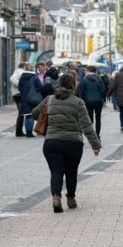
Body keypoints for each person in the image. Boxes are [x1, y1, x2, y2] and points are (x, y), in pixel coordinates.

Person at [30, 72, 101, 213]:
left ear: (59, 84)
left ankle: (56, 197)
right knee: (71, 172)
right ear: (74, 85)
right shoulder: (78, 102)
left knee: (56, 171)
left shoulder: (49, 99)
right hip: (73, 143)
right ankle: (71, 198)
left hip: (52, 142)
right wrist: (95, 145)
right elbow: (86, 125)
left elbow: (34, 113)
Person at [79, 64, 107, 135]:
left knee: (90, 118)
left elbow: (82, 91)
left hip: (88, 101)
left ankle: (92, 135)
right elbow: (103, 90)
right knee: (98, 118)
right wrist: (102, 98)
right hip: (98, 101)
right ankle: (97, 135)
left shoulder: (84, 79)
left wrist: (83, 100)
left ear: (88, 71)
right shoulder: (99, 78)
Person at [17, 64, 42, 137]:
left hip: (24, 97)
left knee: (27, 115)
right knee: (31, 115)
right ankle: (29, 132)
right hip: (33, 97)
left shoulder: (22, 77)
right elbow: (40, 86)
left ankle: (27, 131)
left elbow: (19, 87)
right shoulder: (34, 76)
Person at [8, 63, 27, 136]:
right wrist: (20, 85)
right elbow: (12, 78)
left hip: (16, 94)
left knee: (21, 113)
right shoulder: (20, 72)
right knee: (21, 113)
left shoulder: (18, 71)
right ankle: (18, 131)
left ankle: (19, 131)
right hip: (18, 94)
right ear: (24, 66)